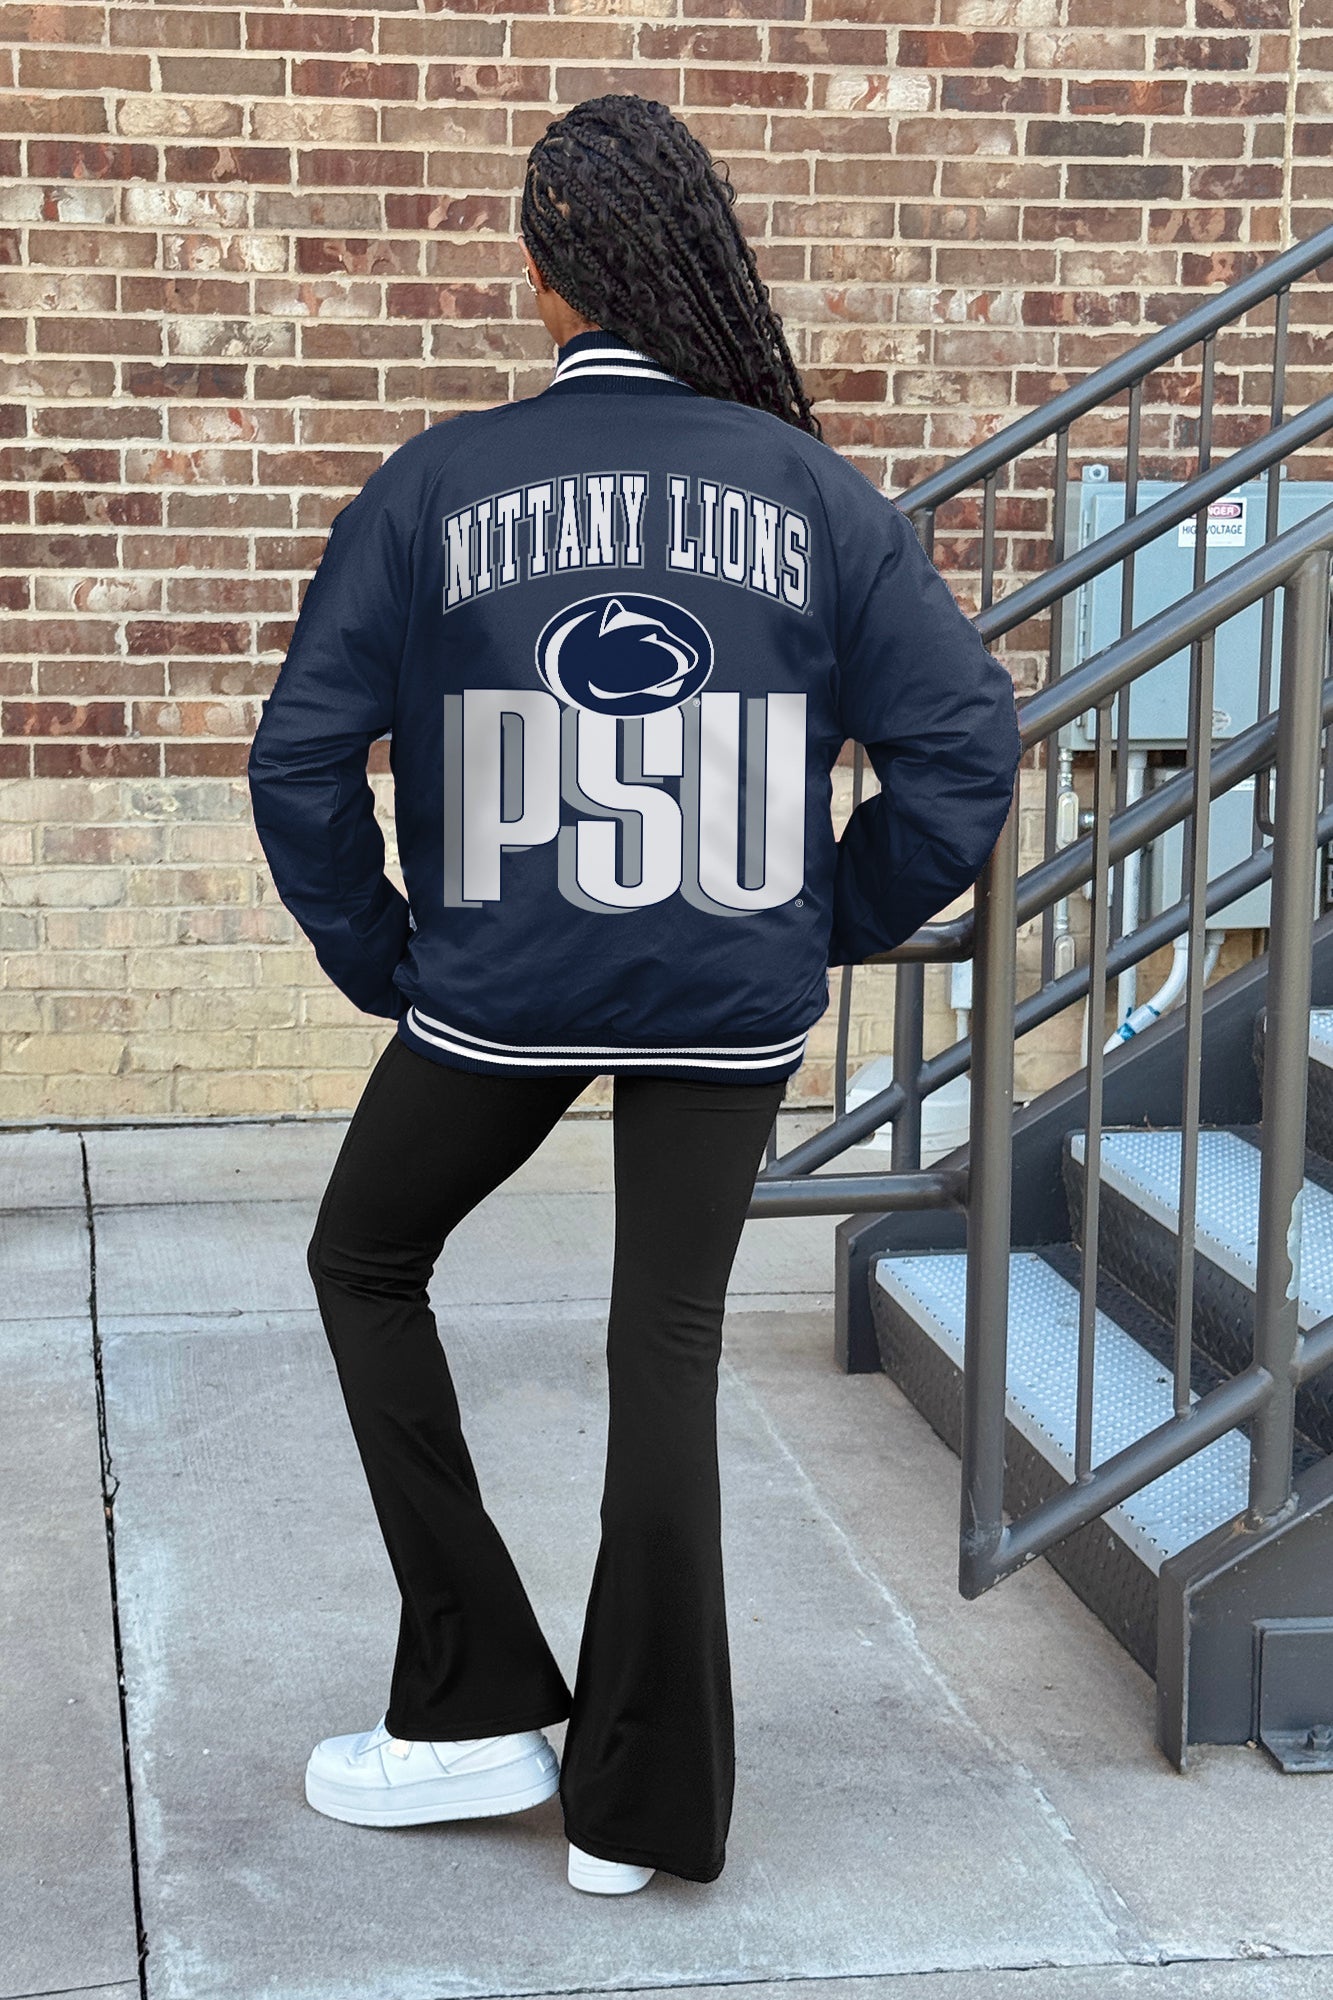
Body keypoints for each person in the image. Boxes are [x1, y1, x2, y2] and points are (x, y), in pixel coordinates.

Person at [247, 92, 1023, 1897]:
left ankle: (471, 1707)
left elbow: (300, 759)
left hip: (499, 993)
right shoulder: (810, 492)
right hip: (727, 1002)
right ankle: (639, 1813)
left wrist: (382, 955)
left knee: (365, 1261)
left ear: (544, 279)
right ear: (698, 267)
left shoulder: (440, 481)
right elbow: (963, 747)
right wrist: (818, 918)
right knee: (660, 1348)